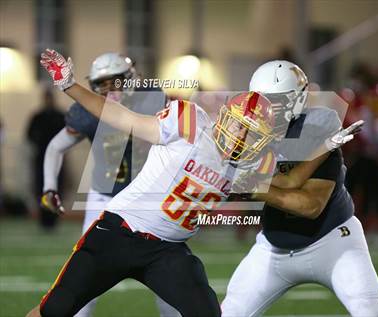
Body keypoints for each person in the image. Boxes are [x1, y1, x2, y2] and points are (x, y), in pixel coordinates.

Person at [27, 49, 281, 317]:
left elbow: (284, 192)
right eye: (239, 125)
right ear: (226, 117)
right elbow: (122, 117)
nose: (243, 137)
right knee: (55, 310)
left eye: (253, 133)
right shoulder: (190, 123)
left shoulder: (257, 164)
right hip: (120, 232)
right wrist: (70, 86)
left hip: (167, 250)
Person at [221, 60, 378, 317]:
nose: (264, 108)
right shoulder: (248, 136)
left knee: (372, 313)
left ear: (297, 100)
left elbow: (310, 206)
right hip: (274, 247)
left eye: (274, 100)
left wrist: (252, 187)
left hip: (333, 241)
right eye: (259, 99)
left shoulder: (316, 131)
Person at [39, 52, 179, 317]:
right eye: (102, 84)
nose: (109, 90)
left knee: (170, 282)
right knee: (83, 278)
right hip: (104, 200)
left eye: (114, 81)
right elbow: (56, 147)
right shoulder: (88, 110)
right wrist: (49, 186)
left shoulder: (152, 100)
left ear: (130, 78)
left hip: (149, 201)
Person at [26, 89, 66, 229]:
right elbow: (29, 135)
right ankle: (44, 219)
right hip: (41, 159)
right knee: (42, 188)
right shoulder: (38, 117)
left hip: (58, 160)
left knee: (56, 189)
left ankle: (53, 219)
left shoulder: (60, 116)